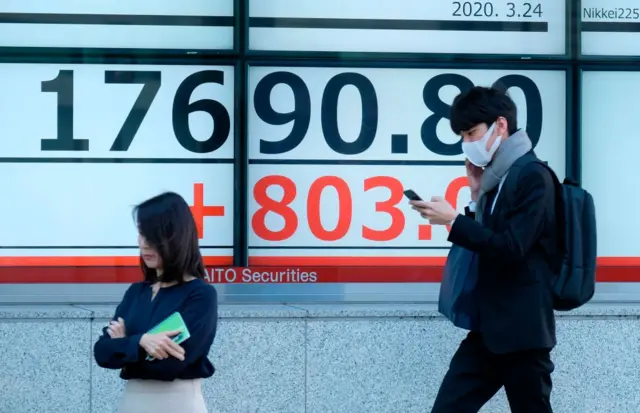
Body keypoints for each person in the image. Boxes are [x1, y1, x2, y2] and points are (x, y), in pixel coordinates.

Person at [410, 86, 559, 413]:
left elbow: (510, 248)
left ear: (500, 125)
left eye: (471, 132)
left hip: (523, 335)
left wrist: (453, 221)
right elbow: (489, 241)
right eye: (462, 135)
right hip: (489, 331)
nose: (467, 143)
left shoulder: (534, 176)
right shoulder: (498, 177)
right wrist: (476, 197)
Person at [94, 192, 218, 413]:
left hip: (178, 404)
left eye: (152, 235)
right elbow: (102, 352)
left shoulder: (200, 295)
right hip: (132, 402)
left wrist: (124, 345)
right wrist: (142, 341)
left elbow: (170, 364)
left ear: (175, 236)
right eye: (141, 233)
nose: (143, 244)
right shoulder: (136, 292)